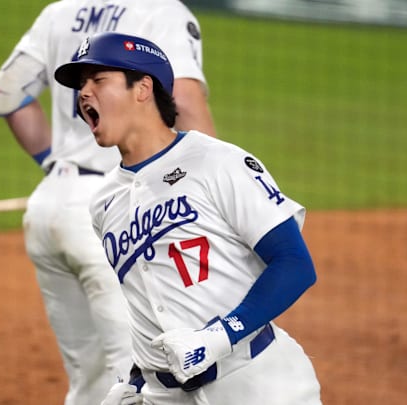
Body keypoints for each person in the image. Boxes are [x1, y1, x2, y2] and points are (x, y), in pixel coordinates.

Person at [54, 31, 322, 404]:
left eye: (98, 80)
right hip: (166, 396)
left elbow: (295, 264)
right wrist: (135, 378)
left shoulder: (218, 162)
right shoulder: (103, 204)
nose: (83, 93)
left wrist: (218, 337)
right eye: (80, 84)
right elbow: (155, 300)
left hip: (255, 383)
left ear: (143, 88)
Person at [0, 2, 216, 404]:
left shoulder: (59, 12)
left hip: (50, 210)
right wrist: (216, 190)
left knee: (89, 384)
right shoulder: (161, 11)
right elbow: (188, 105)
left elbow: (4, 95)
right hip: (118, 211)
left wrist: (56, 166)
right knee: (150, 382)